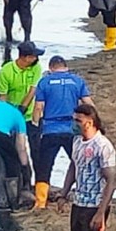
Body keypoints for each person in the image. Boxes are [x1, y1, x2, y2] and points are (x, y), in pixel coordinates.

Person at [57, 105, 116, 231]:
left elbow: (111, 181)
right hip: (79, 202)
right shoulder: (76, 142)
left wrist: (101, 212)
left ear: (89, 122)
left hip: (95, 205)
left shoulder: (103, 145)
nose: (74, 124)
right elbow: (73, 167)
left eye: (78, 120)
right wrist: (64, 193)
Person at [31, 55, 93, 209]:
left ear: (51, 68)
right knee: (79, 163)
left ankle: (40, 203)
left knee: (44, 166)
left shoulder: (45, 82)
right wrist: (93, 124)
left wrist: (35, 124)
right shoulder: (77, 81)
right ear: (66, 66)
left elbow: (38, 107)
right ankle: (84, 194)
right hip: (71, 129)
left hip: (50, 130)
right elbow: (88, 104)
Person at [0, 41, 44, 175]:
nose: (37, 58)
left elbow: (33, 90)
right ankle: (19, 176)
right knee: (14, 149)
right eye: (34, 56)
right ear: (26, 57)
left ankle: (40, 179)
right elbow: (2, 98)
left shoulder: (36, 67)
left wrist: (22, 108)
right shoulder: (5, 72)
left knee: (37, 149)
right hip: (12, 117)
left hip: (31, 116)